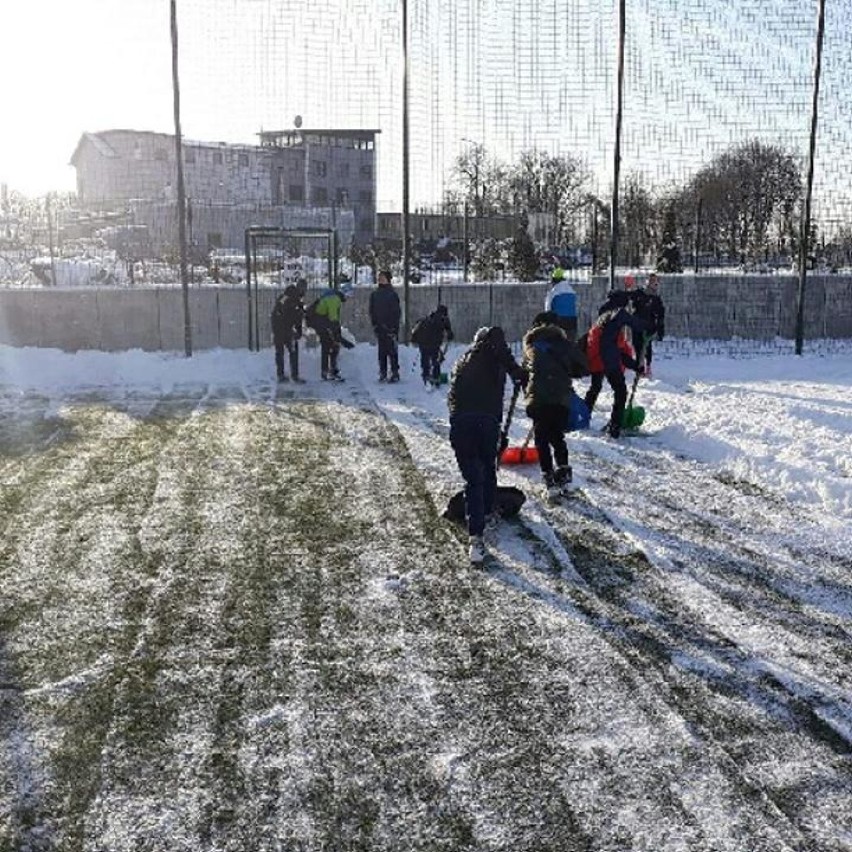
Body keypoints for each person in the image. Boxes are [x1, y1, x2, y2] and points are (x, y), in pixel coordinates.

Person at [448, 326, 526, 564]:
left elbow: (453, 397)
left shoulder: (461, 361)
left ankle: (483, 515)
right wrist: (516, 371)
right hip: (484, 421)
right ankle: (477, 533)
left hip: (461, 423)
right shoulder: (494, 355)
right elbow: (496, 336)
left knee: (474, 476)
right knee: (485, 468)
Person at [522, 311, 588, 499]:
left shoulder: (531, 344)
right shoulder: (565, 345)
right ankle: (564, 472)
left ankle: (548, 476)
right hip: (561, 397)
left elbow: (524, 370)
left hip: (538, 398)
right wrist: (568, 371)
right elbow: (583, 366)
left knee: (541, 438)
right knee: (557, 436)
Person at [583, 305, 649, 438]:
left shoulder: (608, 329)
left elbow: (621, 354)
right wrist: (642, 326)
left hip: (600, 359)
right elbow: (622, 315)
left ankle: (584, 417)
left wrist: (636, 366)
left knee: (596, 387)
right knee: (619, 391)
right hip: (601, 359)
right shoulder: (609, 323)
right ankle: (614, 427)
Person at [312, 284, 352, 381]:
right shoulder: (334, 300)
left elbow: (334, 320)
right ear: (344, 293)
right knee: (328, 346)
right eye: (348, 295)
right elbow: (333, 318)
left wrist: (337, 335)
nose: (348, 298)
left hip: (322, 322)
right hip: (321, 323)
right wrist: (337, 336)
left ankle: (329, 371)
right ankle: (327, 372)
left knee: (333, 345)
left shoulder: (334, 298)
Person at [368, 269, 402, 382]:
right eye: (379, 277)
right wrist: (374, 324)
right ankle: (383, 372)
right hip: (379, 327)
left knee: (392, 351)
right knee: (381, 352)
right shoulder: (375, 294)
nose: (380, 279)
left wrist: (393, 327)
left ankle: (395, 372)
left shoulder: (392, 294)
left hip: (390, 327)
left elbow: (396, 312)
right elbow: (371, 310)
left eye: (383, 277)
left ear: (388, 279)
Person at [631, 273, 666, 378]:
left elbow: (660, 315)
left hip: (648, 326)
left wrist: (660, 330)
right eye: (651, 281)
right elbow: (631, 301)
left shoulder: (656, 299)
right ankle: (640, 368)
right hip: (637, 324)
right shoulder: (639, 294)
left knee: (647, 346)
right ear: (647, 282)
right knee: (637, 346)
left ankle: (648, 367)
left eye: (655, 282)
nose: (654, 283)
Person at [411, 304, 454, 387]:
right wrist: (449, 336)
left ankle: (426, 375)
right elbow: (449, 332)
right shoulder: (443, 319)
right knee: (436, 359)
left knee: (425, 358)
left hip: (423, 341)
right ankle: (436, 377)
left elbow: (416, 329)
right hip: (434, 343)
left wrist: (414, 339)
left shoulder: (427, 318)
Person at [270, 284, 305, 383]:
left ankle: (280, 375)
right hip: (288, 330)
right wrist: (298, 331)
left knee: (280, 352)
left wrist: (276, 329)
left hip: (278, 330)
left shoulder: (282, 298)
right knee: (293, 353)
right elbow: (297, 318)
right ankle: (294, 376)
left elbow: (275, 314)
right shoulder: (296, 302)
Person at [544, 266, 578, 339]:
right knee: (570, 342)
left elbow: (548, 308)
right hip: (572, 320)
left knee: (558, 342)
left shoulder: (553, 292)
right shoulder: (571, 290)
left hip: (558, 320)